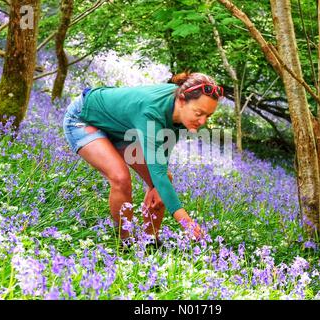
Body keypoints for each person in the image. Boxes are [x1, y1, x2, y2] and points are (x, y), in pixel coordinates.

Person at [62, 71, 223, 245]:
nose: (202, 122)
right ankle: (124, 243)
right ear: (182, 100)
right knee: (121, 177)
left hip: (122, 129)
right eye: (199, 113)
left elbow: (163, 152)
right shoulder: (152, 112)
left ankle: (149, 242)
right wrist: (187, 223)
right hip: (84, 119)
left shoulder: (183, 113)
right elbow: (158, 171)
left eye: (208, 116)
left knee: (162, 182)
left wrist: (157, 183)